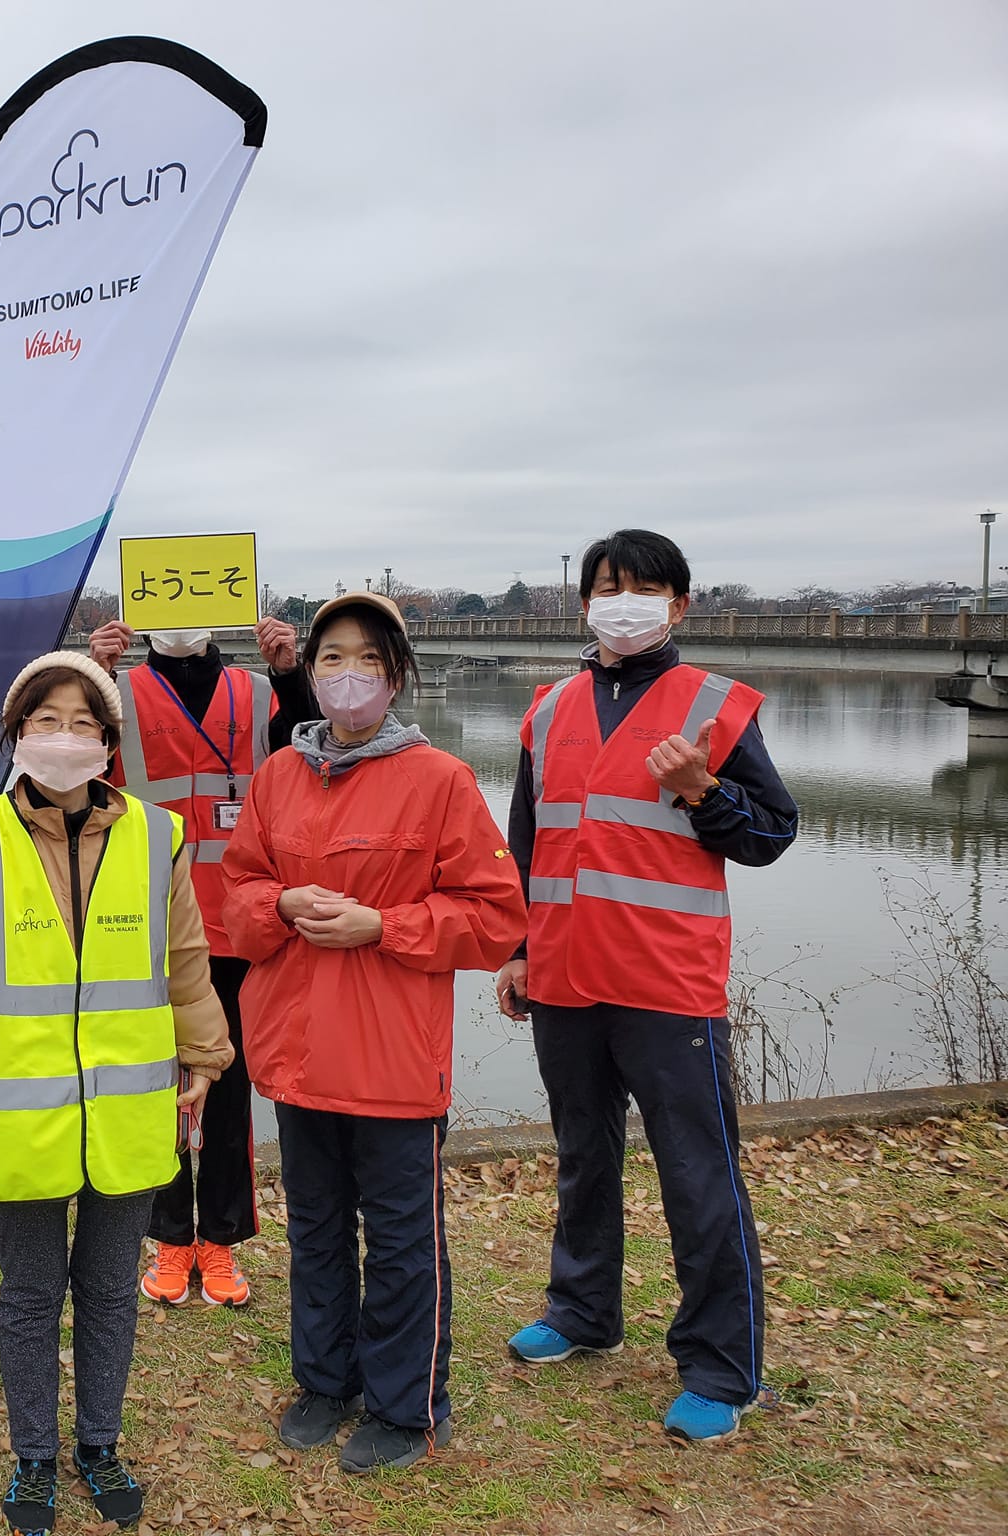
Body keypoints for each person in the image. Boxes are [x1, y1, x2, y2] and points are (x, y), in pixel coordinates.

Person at [0, 651, 231, 1536]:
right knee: (30, 1295)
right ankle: (33, 1457)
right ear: (16, 735)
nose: (64, 738)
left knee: (109, 1292)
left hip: (129, 1108)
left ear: (108, 742)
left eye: (82, 723)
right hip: (20, 1119)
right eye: (44, 721)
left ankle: (100, 1444)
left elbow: (184, 957)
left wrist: (205, 1052)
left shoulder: (157, 835)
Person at [496, 529, 797, 1444]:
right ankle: (583, 1310)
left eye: (641, 587)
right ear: (584, 602)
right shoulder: (549, 708)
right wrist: (516, 948)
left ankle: (721, 1368)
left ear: (678, 604)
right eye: (605, 587)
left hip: (667, 983)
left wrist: (706, 790)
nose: (620, 602)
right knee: (583, 1156)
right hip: (564, 975)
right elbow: (525, 840)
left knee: (698, 1175)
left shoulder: (713, 705)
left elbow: (770, 835)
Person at [221, 592, 526, 1474]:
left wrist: (383, 926)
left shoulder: (441, 780)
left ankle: (407, 1405)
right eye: (331, 657)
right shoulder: (279, 775)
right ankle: (326, 1382)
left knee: (401, 1240)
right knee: (315, 1228)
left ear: (396, 677)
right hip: (296, 1050)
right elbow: (236, 896)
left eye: (368, 659)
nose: (347, 675)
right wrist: (280, 903)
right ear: (309, 670)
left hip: (392, 1059)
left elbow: (493, 916)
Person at [85, 617, 298, 1309]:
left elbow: (309, 754)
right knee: (155, 1086)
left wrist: (291, 672)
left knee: (230, 1092)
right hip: (147, 922)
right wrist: (93, 674)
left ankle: (222, 1239)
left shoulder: (258, 689)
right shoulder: (116, 691)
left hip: (239, 925)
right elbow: (73, 775)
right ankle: (171, 1235)